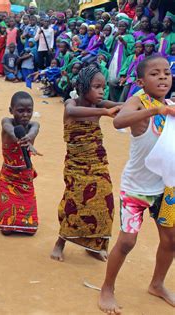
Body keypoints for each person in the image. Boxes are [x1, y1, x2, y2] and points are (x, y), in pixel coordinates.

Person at [99, 56, 175, 313]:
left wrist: (166, 109)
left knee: (171, 239)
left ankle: (157, 284)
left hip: (166, 189)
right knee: (127, 242)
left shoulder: (171, 105)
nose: (163, 77)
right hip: (136, 190)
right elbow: (119, 121)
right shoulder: (138, 102)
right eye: (155, 73)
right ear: (141, 81)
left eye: (167, 72)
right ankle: (107, 287)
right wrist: (156, 110)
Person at [50, 64, 121, 262]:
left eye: (103, 87)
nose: (101, 91)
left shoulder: (98, 105)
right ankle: (60, 242)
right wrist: (105, 113)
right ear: (82, 87)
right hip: (77, 165)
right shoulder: (71, 103)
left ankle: (95, 245)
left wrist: (149, 101)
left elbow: (121, 104)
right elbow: (72, 111)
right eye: (96, 87)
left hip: (98, 162)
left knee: (105, 203)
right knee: (74, 203)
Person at [0, 91, 40, 234]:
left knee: (30, 230)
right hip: (8, 176)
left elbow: (34, 131)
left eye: (29, 111)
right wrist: (21, 139)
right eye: (20, 111)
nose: (25, 115)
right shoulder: (7, 121)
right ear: (11, 111)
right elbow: (9, 129)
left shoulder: (33, 125)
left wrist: (28, 138)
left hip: (25, 176)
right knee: (6, 230)